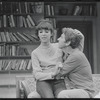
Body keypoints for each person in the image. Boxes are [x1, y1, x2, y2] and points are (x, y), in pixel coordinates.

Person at [53, 28, 95, 98]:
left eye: (61, 37)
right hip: (76, 90)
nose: (58, 39)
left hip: (85, 92)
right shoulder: (69, 54)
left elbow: (57, 75)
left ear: (68, 43)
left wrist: (59, 54)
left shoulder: (75, 56)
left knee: (62, 95)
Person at [31, 19, 67, 98]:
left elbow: (73, 50)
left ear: (51, 34)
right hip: (43, 82)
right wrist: (52, 74)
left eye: (46, 32)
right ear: (38, 35)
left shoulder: (59, 47)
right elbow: (37, 74)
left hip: (59, 81)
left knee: (63, 96)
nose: (43, 34)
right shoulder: (35, 53)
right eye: (41, 32)